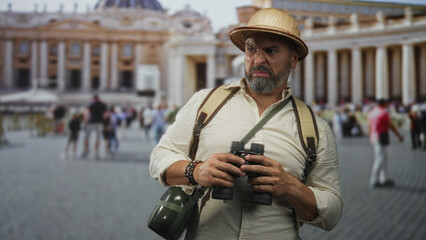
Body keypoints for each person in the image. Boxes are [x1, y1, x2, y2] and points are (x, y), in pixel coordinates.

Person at [150, 8, 342, 239]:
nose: (258, 60)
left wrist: (291, 187)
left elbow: (332, 212)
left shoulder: (316, 128)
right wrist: (197, 170)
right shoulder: (204, 102)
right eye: (251, 49)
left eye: (271, 51)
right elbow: (160, 157)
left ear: (293, 59)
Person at [367, 99, 404, 188]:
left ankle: (383, 178)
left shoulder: (372, 112)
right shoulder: (383, 113)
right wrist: (398, 135)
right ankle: (374, 179)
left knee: (383, 157)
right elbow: (389, 125)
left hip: (374, 136)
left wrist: (370, 136)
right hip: (381, 136)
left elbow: (370, 126)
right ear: (384, 104)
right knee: (380, 158)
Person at [81, 94, 107, 159]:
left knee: (87, 137)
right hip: (100, 122)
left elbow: (86, 113)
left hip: (91, 122)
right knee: (98, 137)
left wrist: (85, 121)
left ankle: (85, 151)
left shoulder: (90, 104)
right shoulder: (103, 104)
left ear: (93, 98)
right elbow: (106, 114)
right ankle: (96, 152)